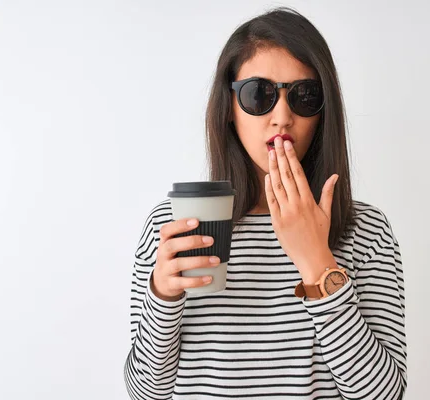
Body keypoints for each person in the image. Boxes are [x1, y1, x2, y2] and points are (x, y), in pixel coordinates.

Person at [124, 7, 407, 400]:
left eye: (305, 96)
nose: (282, 117)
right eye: (260, 94)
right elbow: (145, 391)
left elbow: (384, 395)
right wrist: (164, 296)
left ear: (323, 114)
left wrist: (316, 262)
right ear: (228, 108)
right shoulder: (176, 223)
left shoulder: (365, 228)